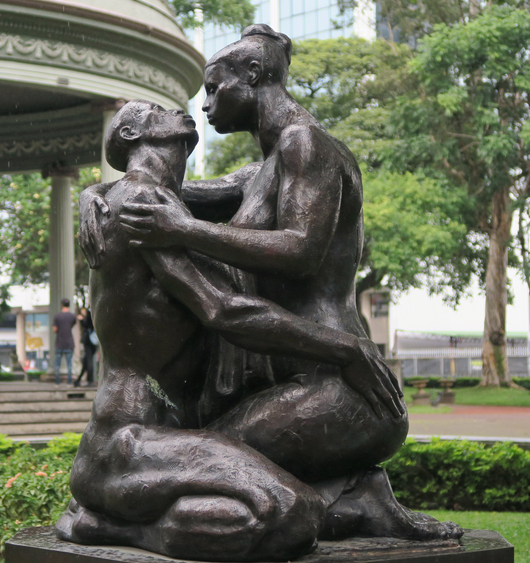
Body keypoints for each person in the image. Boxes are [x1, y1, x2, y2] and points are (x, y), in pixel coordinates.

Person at [113, 26, 456, 542]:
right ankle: (354, 500)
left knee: (184, 464)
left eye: (214, 88)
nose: (205, 106)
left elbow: (300, 249)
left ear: (252, 75)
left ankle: (111, 527)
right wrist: (96, 199)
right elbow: (156, 192)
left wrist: (182, 230)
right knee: (197, 459)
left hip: (340, 386)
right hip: (299, 384)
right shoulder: (263, 169)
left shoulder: (305, 143)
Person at [58, 100, 427, 561]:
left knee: (295, 505)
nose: (188, 105)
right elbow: (225, 311)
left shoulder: (163, 202)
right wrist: (347, 348)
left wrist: (93, 190)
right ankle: (113, 527)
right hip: (128, 441)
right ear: (132, 135)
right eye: (157, 110)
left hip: (161, 438)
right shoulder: (142, 205)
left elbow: (224, 196)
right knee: (290, 511)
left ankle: (356, 500)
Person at [51, 298, 77, 385]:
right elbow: (72, 325)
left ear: (61, 305)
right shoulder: (72, 316)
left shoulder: (57, 316)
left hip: (59, 342)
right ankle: (69, 382)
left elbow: (54, 330)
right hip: (69, 343)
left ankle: (57, 382)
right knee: (69, 364)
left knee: (57, 364)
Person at [75, 307, 96, 387]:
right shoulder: (94, 314)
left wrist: (81, 320)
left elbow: (86, 325)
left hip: (88, 341)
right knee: (85, 361)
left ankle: (90, 380)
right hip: (93, 341)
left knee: (88, 360)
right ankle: (79, 380)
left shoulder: (90, 314)